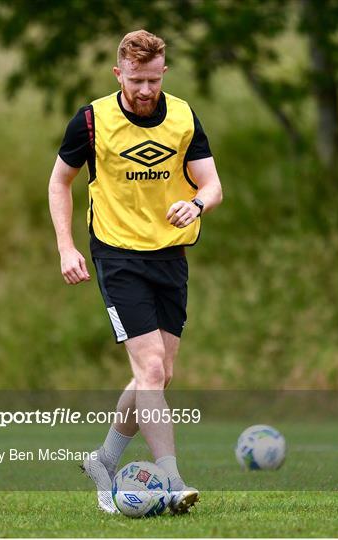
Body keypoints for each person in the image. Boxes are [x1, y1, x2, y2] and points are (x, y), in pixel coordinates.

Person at [48, 29, 223, 514]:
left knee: (161, 375)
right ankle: (170, 479)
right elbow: (59, 183)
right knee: (148, 369)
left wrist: (195, 204)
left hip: (170, 256)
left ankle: (104, 459)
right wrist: (66, 248)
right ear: (117, 73)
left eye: (152, 79)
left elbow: (212, 185)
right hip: (117, 255)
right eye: (135, 80)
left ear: (163, 72)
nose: (145, 90)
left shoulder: (184, 116)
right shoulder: (91, 121)